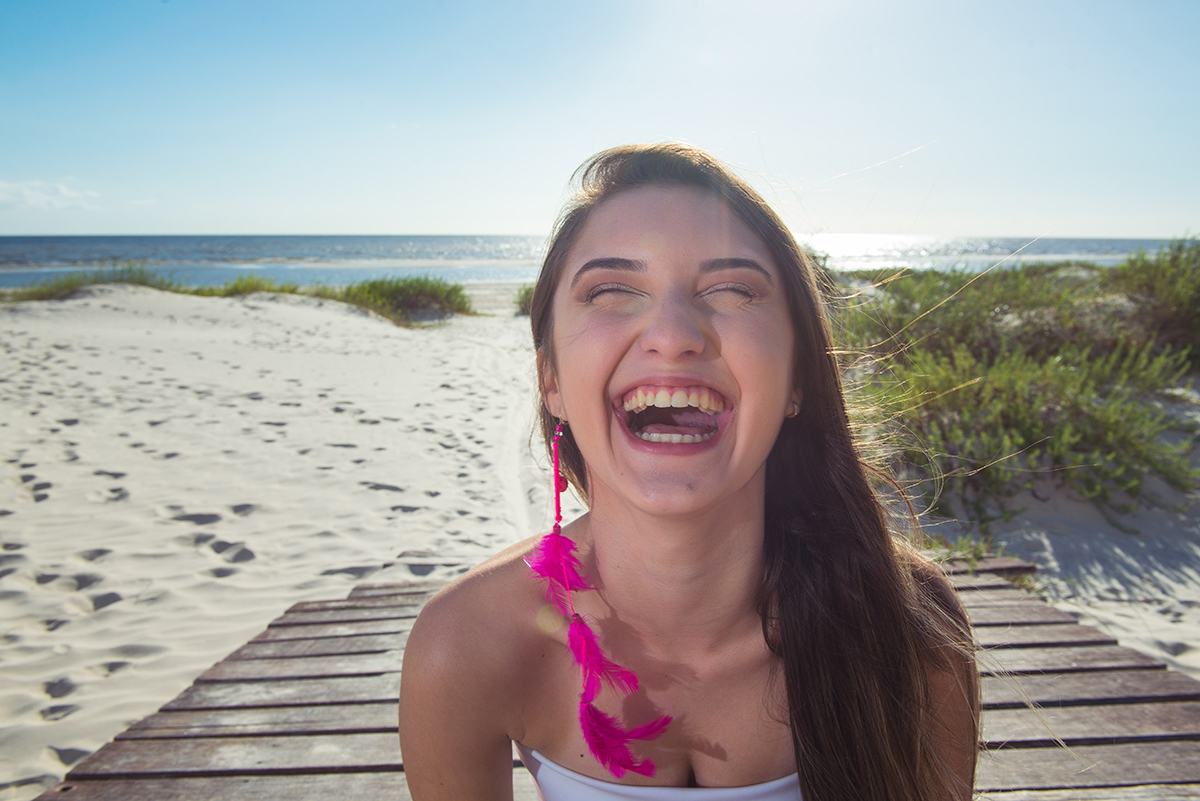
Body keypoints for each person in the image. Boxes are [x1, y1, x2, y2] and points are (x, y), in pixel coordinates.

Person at [398, 143, 979, 800]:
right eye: (612, 289)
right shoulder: (463, 646)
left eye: (732, 289)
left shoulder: (906, 623)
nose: (673, 333)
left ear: (796, 378)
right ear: (552, 379)